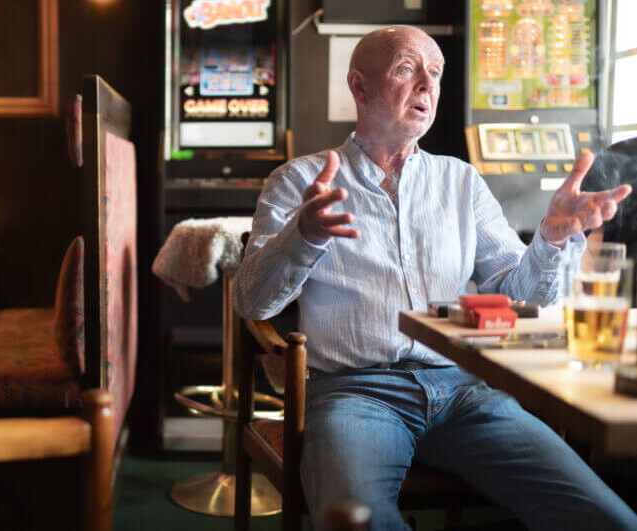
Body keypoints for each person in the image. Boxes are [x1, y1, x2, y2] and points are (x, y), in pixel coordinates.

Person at [233, 25, 637, 531]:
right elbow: (251, 302)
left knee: (607, 518)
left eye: (436, 73)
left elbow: (521, 301)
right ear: (360, 87)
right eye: (407, 69)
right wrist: (305, 235)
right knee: (354, 523)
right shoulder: (298, 180)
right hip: (355, 393)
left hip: (466, 389)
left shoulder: (461, 180)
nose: (427, 84)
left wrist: (551, 240)